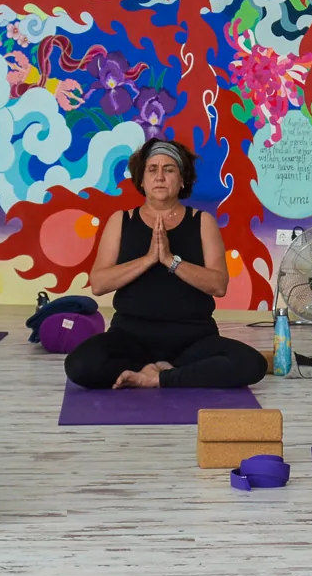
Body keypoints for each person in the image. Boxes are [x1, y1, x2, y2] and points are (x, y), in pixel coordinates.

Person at [65, 137, 268, 390]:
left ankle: (158, 377)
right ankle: (161, 372)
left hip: (193, 340)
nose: (160, 176)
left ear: (182, 180)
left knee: (251, 364)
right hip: (131, 338)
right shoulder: (121, 220)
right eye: (153, 169)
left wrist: (171, 261)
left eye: (169, 169)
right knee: (79, 365)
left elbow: (219, 285)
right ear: (142, 180)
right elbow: (98, 283)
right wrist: (149, 259)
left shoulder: (202, 222)